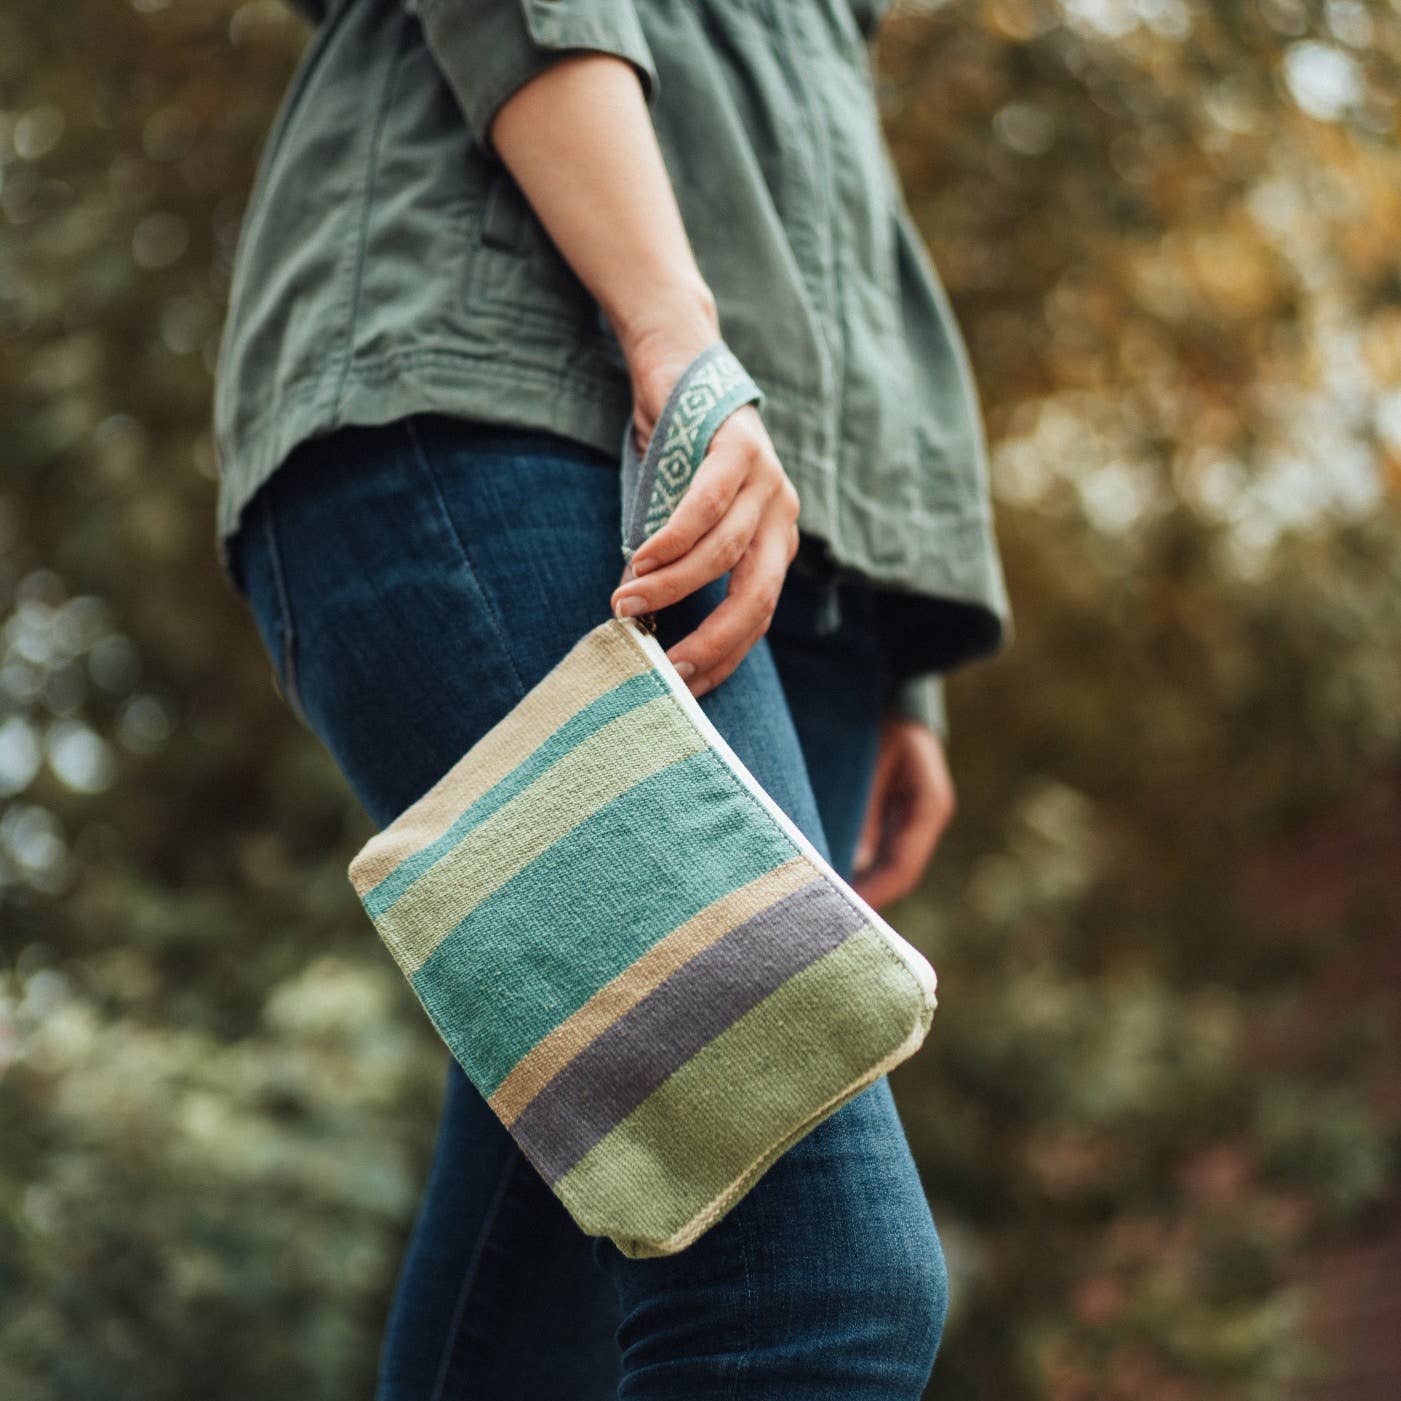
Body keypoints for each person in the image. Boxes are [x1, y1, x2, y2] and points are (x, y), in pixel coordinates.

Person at [213, 0, 1013, 1395]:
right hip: (514, 400)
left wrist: (897, 649)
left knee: (541, 1329)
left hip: (785, 544)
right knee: (807, 1277)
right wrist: (671, 329)